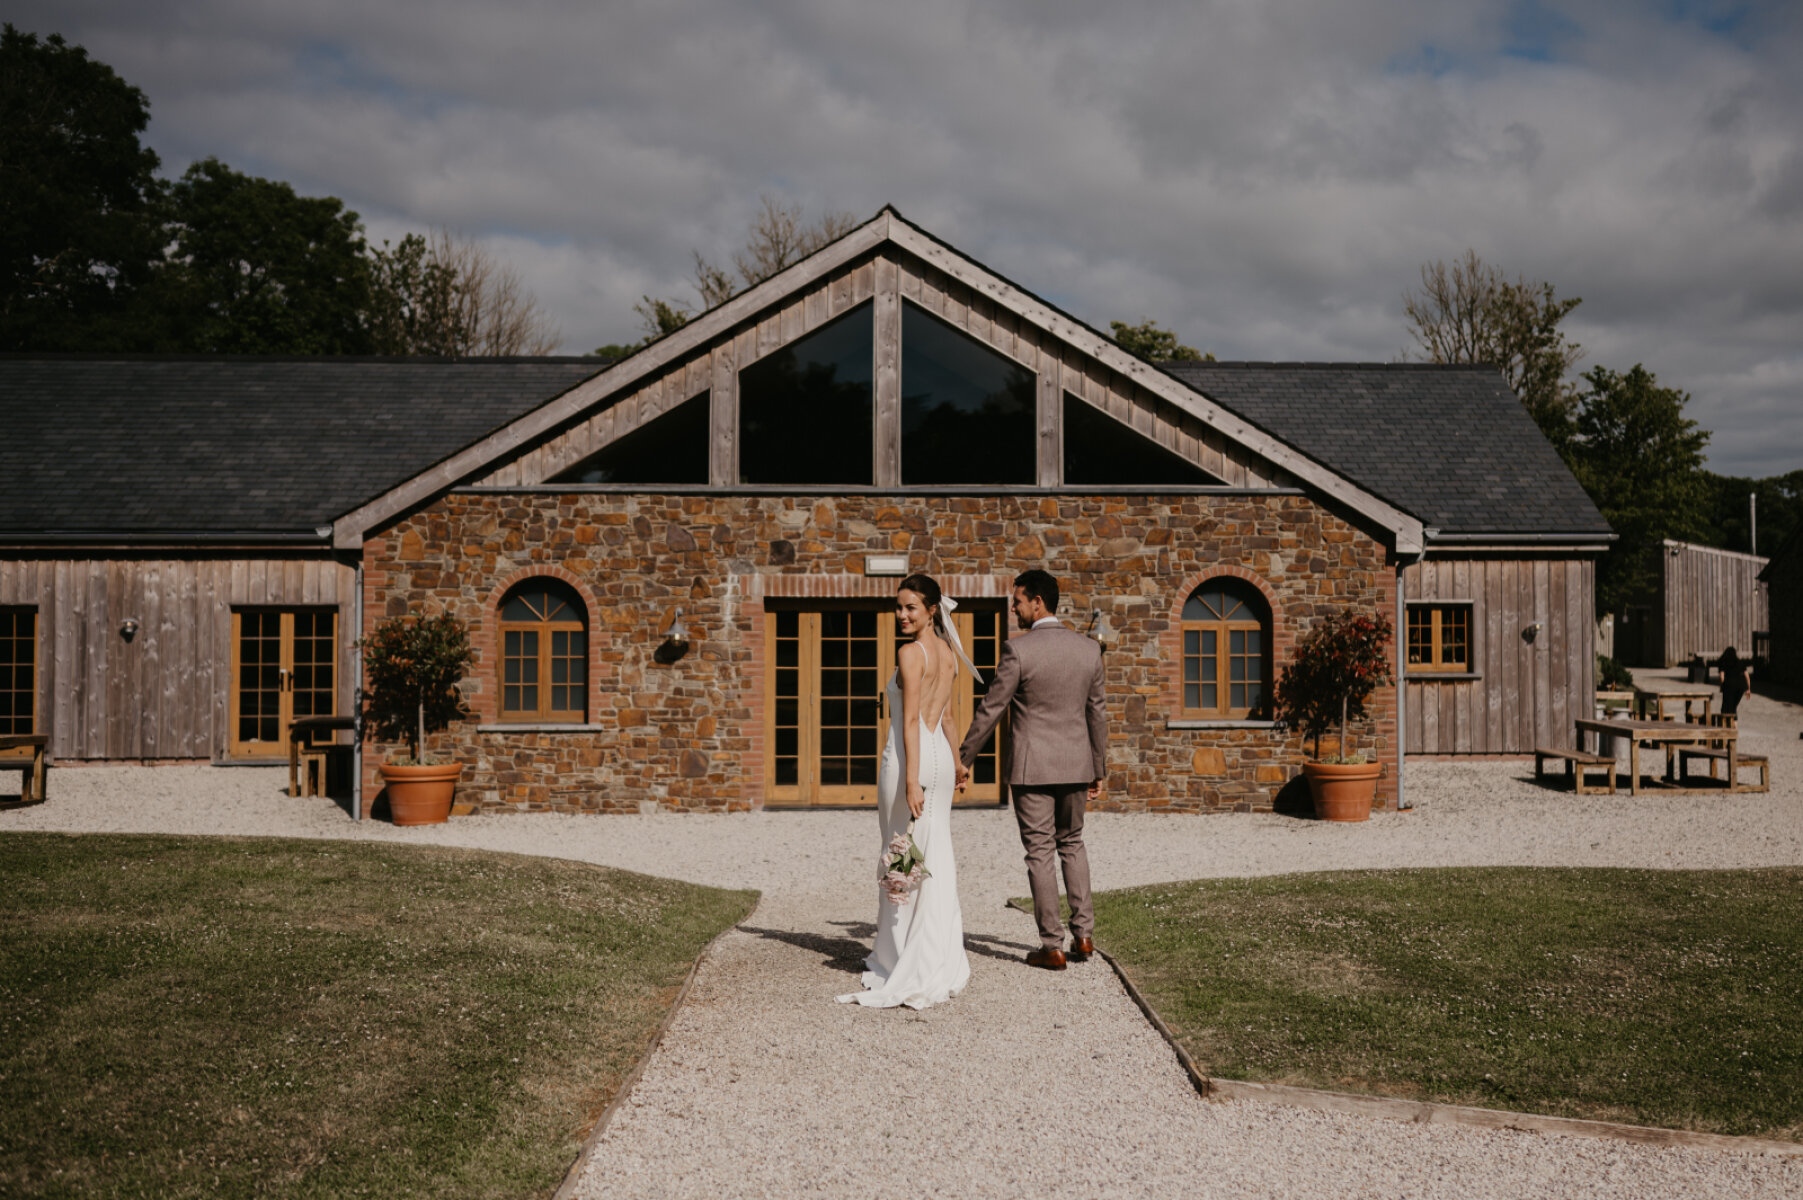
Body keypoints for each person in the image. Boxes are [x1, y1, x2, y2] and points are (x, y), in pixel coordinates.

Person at [956, 569, 1107, 971]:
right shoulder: (1088, 650)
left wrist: (964, 758)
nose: (1013, 608)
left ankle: (1052, 946)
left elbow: (992, 708)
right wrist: (1098, 767)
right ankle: (1084, 936)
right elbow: (1097, 713)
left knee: (1040, 851)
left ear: (1037, 602)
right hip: (1076, 764)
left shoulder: (1017, 650)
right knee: (1072, 843)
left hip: (1032, 768)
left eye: (1017, 601)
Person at [837, 574, 971, 1009]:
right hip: (939, 758)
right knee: (933, 851)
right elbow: (947, 717)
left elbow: (910, 720)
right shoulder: (948, 653)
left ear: (932, 610)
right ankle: (937, 953)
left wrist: (912, 780)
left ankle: (901, 958)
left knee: (899, 850)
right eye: (898, 607)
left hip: (908, 758)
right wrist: (957, 762)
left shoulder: (911, 653)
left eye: (910, 607)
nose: (902, 615)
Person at [1717, 646, 1752, 716]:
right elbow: (1747, 677)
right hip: (1740, 686)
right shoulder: (1740, 662)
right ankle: (1734, 721)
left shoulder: (1723, 662)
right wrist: (1748, 689)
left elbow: (1722, 677)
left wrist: (1722, 686)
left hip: (1729, 685)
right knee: (1733, 707)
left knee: (1725, 708)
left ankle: (1727, 722)